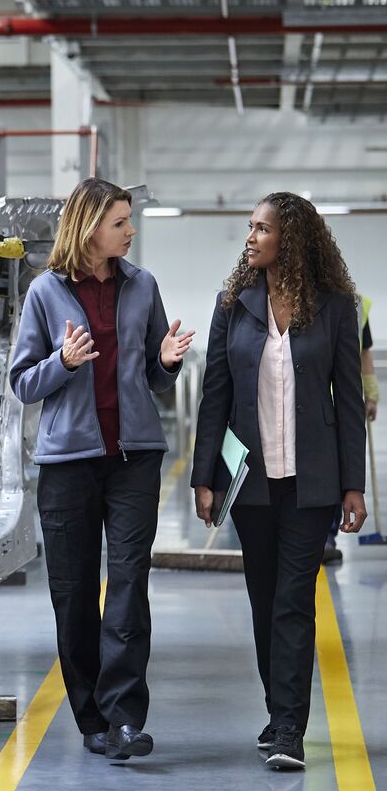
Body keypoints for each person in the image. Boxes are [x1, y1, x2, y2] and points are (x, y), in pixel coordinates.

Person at [9, 178, 193, 761]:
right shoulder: (44, 293)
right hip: (69, 463)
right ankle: (91, 717)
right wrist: (61, 363)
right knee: (74, 591)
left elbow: (155, 378)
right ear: (90, 228)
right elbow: (21, 383)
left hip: (135, 457)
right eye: (121, 222)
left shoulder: (144, 287)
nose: (131, 230)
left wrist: (165, 363)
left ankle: (125, 719)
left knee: (130, 585)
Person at [190, 192, 367, 772]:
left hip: (312, 482)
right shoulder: (232, 306)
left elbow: (346, 402)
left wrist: (353, 486)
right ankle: (277, 712)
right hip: (252, 484)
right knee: (265, 603)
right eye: (250, 227)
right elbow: (215, 394)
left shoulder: (337, 308)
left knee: (294, 602)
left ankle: (290, 728)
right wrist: (204, 478)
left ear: (289, 238)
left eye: (261, 228)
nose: (251, 236)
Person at [325, 301, 379, 561]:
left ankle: (328, 535)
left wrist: (371, 394)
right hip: (318, 399)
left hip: (344, 399)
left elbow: (364, 354)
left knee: (339, 469)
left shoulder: (358, 305)